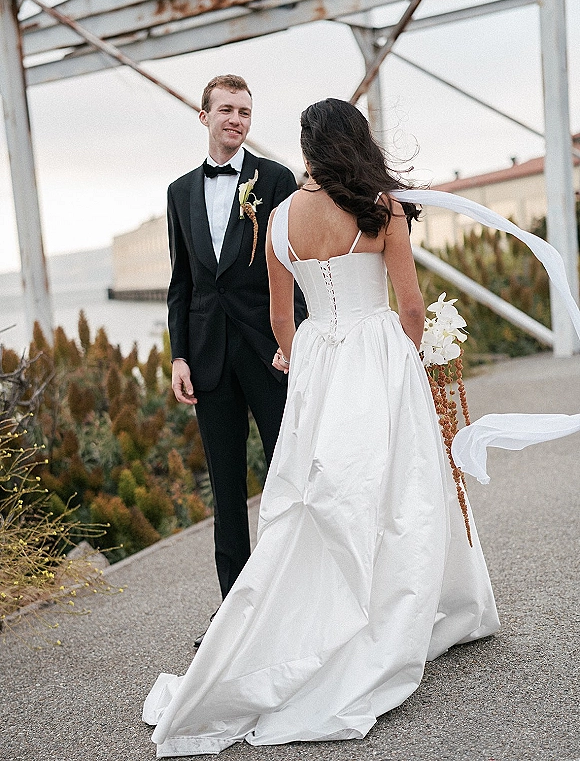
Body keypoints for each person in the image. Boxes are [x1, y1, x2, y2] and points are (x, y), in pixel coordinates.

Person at [143, 98, 499, 755]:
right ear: (354, 143)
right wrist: (408, 354)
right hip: (380, 353)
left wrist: (290, 355)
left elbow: (284, 319)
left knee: (322, 494)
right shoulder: (382, 208)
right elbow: (411, 306)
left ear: (307, 152)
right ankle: (417, 607)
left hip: (320, 363)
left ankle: (322, 613)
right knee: (404, 487)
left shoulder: (277, 218)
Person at [167, 74, 307, 640]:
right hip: (207, 359)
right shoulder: (179, 191)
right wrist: (179, 356)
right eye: (226, 110)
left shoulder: (274, 180)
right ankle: (236, 614)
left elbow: (291, 267)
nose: (237, 119)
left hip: (268, 351)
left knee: (283, 477)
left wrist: (292, 341)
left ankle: (288, 599)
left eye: (245, 112)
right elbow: (182, 282)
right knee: (226, 489)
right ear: (204, 117)